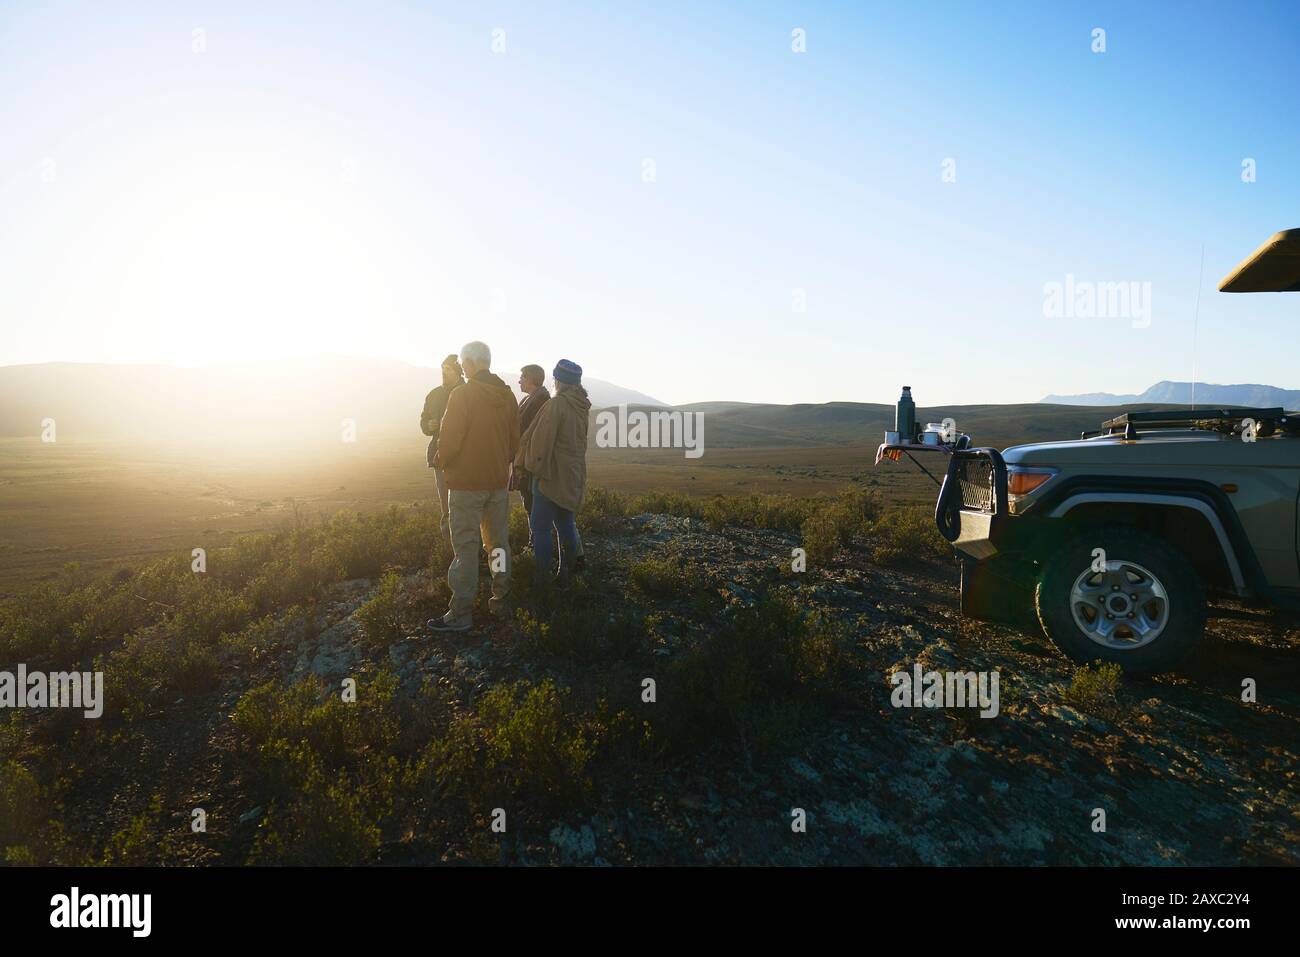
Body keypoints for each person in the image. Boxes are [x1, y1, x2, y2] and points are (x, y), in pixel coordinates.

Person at [428, 341, 519, 632]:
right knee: (498, 545)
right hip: (496, 482)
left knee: (466, 547)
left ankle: (461, 612)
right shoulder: (508, 396)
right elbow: (514, 443)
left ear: (468, 363)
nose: (463, 369)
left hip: (466, 484)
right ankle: (502, 601)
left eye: (464, 364)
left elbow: (450, 439)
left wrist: (442, 460)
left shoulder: (462, 394)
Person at [515, 359, 590, 584]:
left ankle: (542, 579)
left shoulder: (557, 405)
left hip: (550, 475)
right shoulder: (581, 405)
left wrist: (531, 468)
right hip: (572, 475)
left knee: (540, 528)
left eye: (555, 378)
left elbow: (541, 442)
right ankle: (567, 573)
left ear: (559, 381)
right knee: (566, 523)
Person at [420, 354, 465, 542]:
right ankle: (449, 551)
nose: (444, 374)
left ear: (458, 371)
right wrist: (427, 425)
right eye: (442, 370)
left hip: (464, 457)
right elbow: (423, 420)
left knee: (465, 504)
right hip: (439, 456)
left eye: (448, 370)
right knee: (446, 506)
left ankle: (470, 549)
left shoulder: (468, 392)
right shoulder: (434, 394)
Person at [510, 364, 550, 547]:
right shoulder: (530, 400)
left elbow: (529, 431)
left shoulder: (540, 401)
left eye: (522, 377)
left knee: (534, 505)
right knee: (529, 503)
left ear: (531, 379)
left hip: (531, 462)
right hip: (525, 461)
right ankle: (535, 544)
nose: (519, 380)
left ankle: (537, 546)